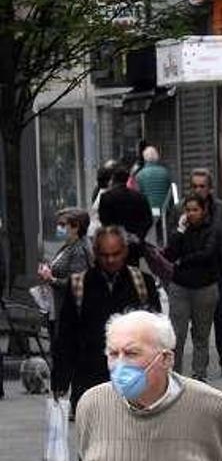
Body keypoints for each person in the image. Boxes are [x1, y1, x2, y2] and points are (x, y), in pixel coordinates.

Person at [77, 311, 222, 461]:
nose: (120, 365)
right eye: (113, 354)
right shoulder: (92, 405)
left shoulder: (214, 409)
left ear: (165, 359)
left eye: (132, 353)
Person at [50, 226, 161, 416]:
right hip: (90, 380)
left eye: (115, 254)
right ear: (95, 253)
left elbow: (158, 334)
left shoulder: (143, 283)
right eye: (104, 255)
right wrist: (60, 381)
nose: (110, 260)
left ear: (125, 251)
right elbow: (67, 337)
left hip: (132, 379)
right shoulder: (79, 285)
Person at [164, 194, 220, 382]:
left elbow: (207, 254)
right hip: (180, 287)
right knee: (176, 335)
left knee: (201, 334)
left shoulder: (211, 230)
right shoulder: (181, 232)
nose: (191, 214)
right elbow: (170, 255)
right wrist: (179, 231)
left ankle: (199, 374)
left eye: (195, 210)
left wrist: (183, 261)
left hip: (205, 287)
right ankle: (174, 375)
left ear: (203, 211)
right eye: (188, 210)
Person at [191, 169, 222, 377]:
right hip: (193, 273)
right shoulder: (184, 209)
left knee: (220, 317)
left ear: (210, 187)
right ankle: (199, 366)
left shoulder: (221, 209)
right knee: (197, 321)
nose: (198, 190)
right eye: (195, 186)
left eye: (202, 186)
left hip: (216, 271)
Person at [37, 208, 92, 337]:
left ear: (76, 227)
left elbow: (77, 282)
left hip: (70, 311)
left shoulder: (78, 250)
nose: (58, 228)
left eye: (62, 225)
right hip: (59, 307)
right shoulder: (68, 247)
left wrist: (51, 279)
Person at [98, 166, 154, 265]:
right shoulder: (139, 197)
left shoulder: (106, 197)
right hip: (133, 246)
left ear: (113, 179)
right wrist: (139, 236)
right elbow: (148, 220)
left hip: (114, 244)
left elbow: (104, 221)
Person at [135, 145, 171, 212]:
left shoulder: (140, 175)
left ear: (144, 158)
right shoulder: (165, 172)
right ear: (157, 157)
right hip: (164, 210)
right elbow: (170, 192)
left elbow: (138, 196)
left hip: (148, 210)